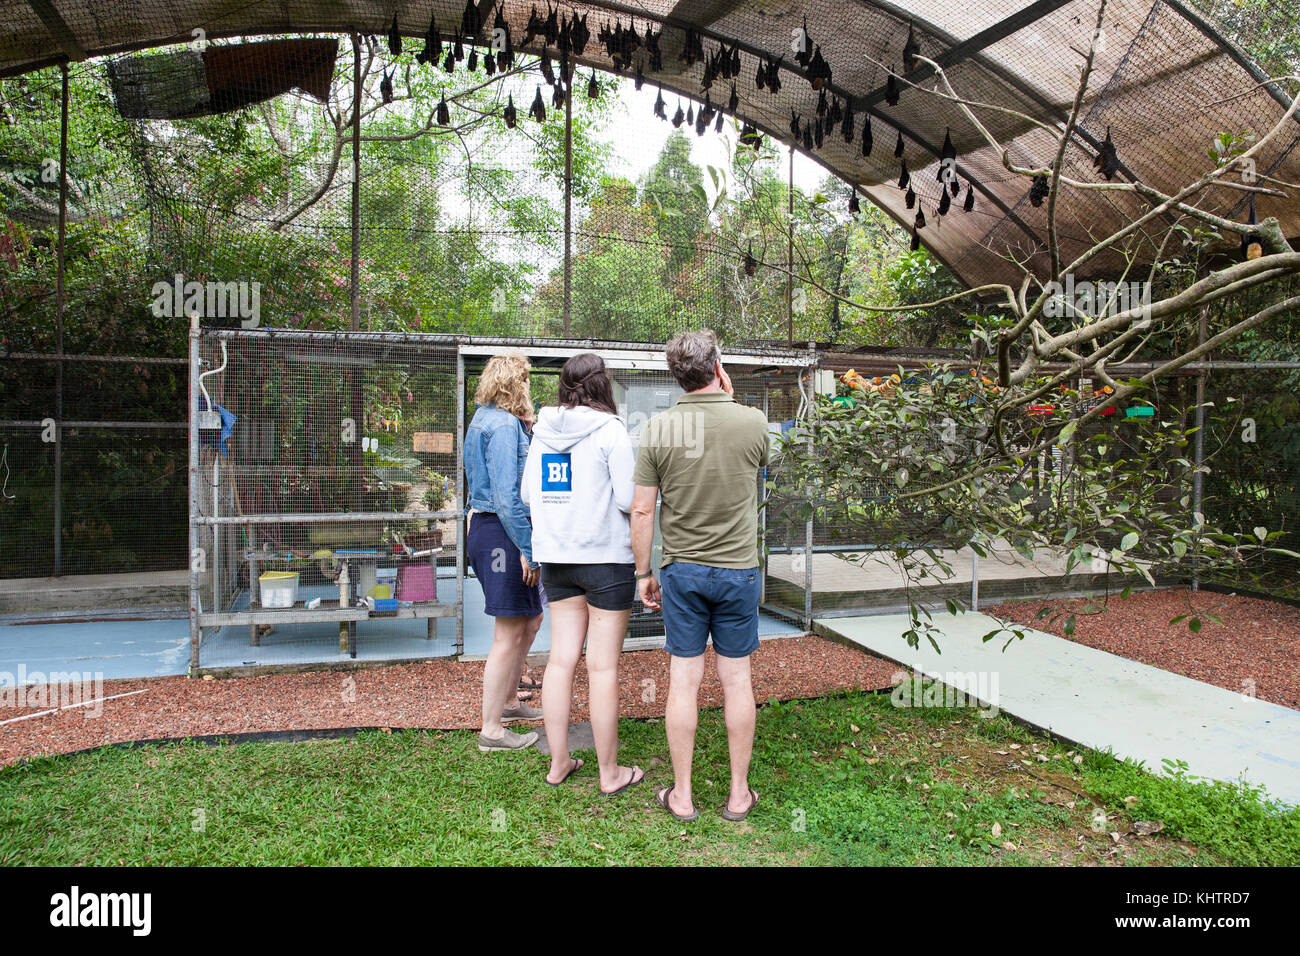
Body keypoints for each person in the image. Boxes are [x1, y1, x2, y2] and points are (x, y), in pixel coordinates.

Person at [631, 330, 769, 822]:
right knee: (737, 681)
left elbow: (642, 510)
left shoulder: (659, 429)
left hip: (681, 572)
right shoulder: (753, 423)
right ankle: (737, 795)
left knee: (683, 683)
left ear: (676, 375)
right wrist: (729, 402)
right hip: (738, 573)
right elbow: (756, 460)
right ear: (717, 366)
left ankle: (683, 796)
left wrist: (643, 573)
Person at [522, 353, 645, 795]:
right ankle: (609, 774)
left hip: (557, 559)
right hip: (606, 559)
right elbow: (630, 500)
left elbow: (527, 494)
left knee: (560, 660)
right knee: (602, 667)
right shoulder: (610, 430)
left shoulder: (541, 432)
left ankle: (559, 763)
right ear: (602, 385)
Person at [465, 352, 544, 752]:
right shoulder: (504, 425)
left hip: (489, 527)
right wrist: (527, 549)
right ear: (514, 383)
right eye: (525, 379)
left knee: (531, 619)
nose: (529, 385)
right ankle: (492, 730)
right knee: (508, 633)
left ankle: (510, 702)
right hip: (503, 532)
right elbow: (506, 496)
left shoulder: (482, 419)